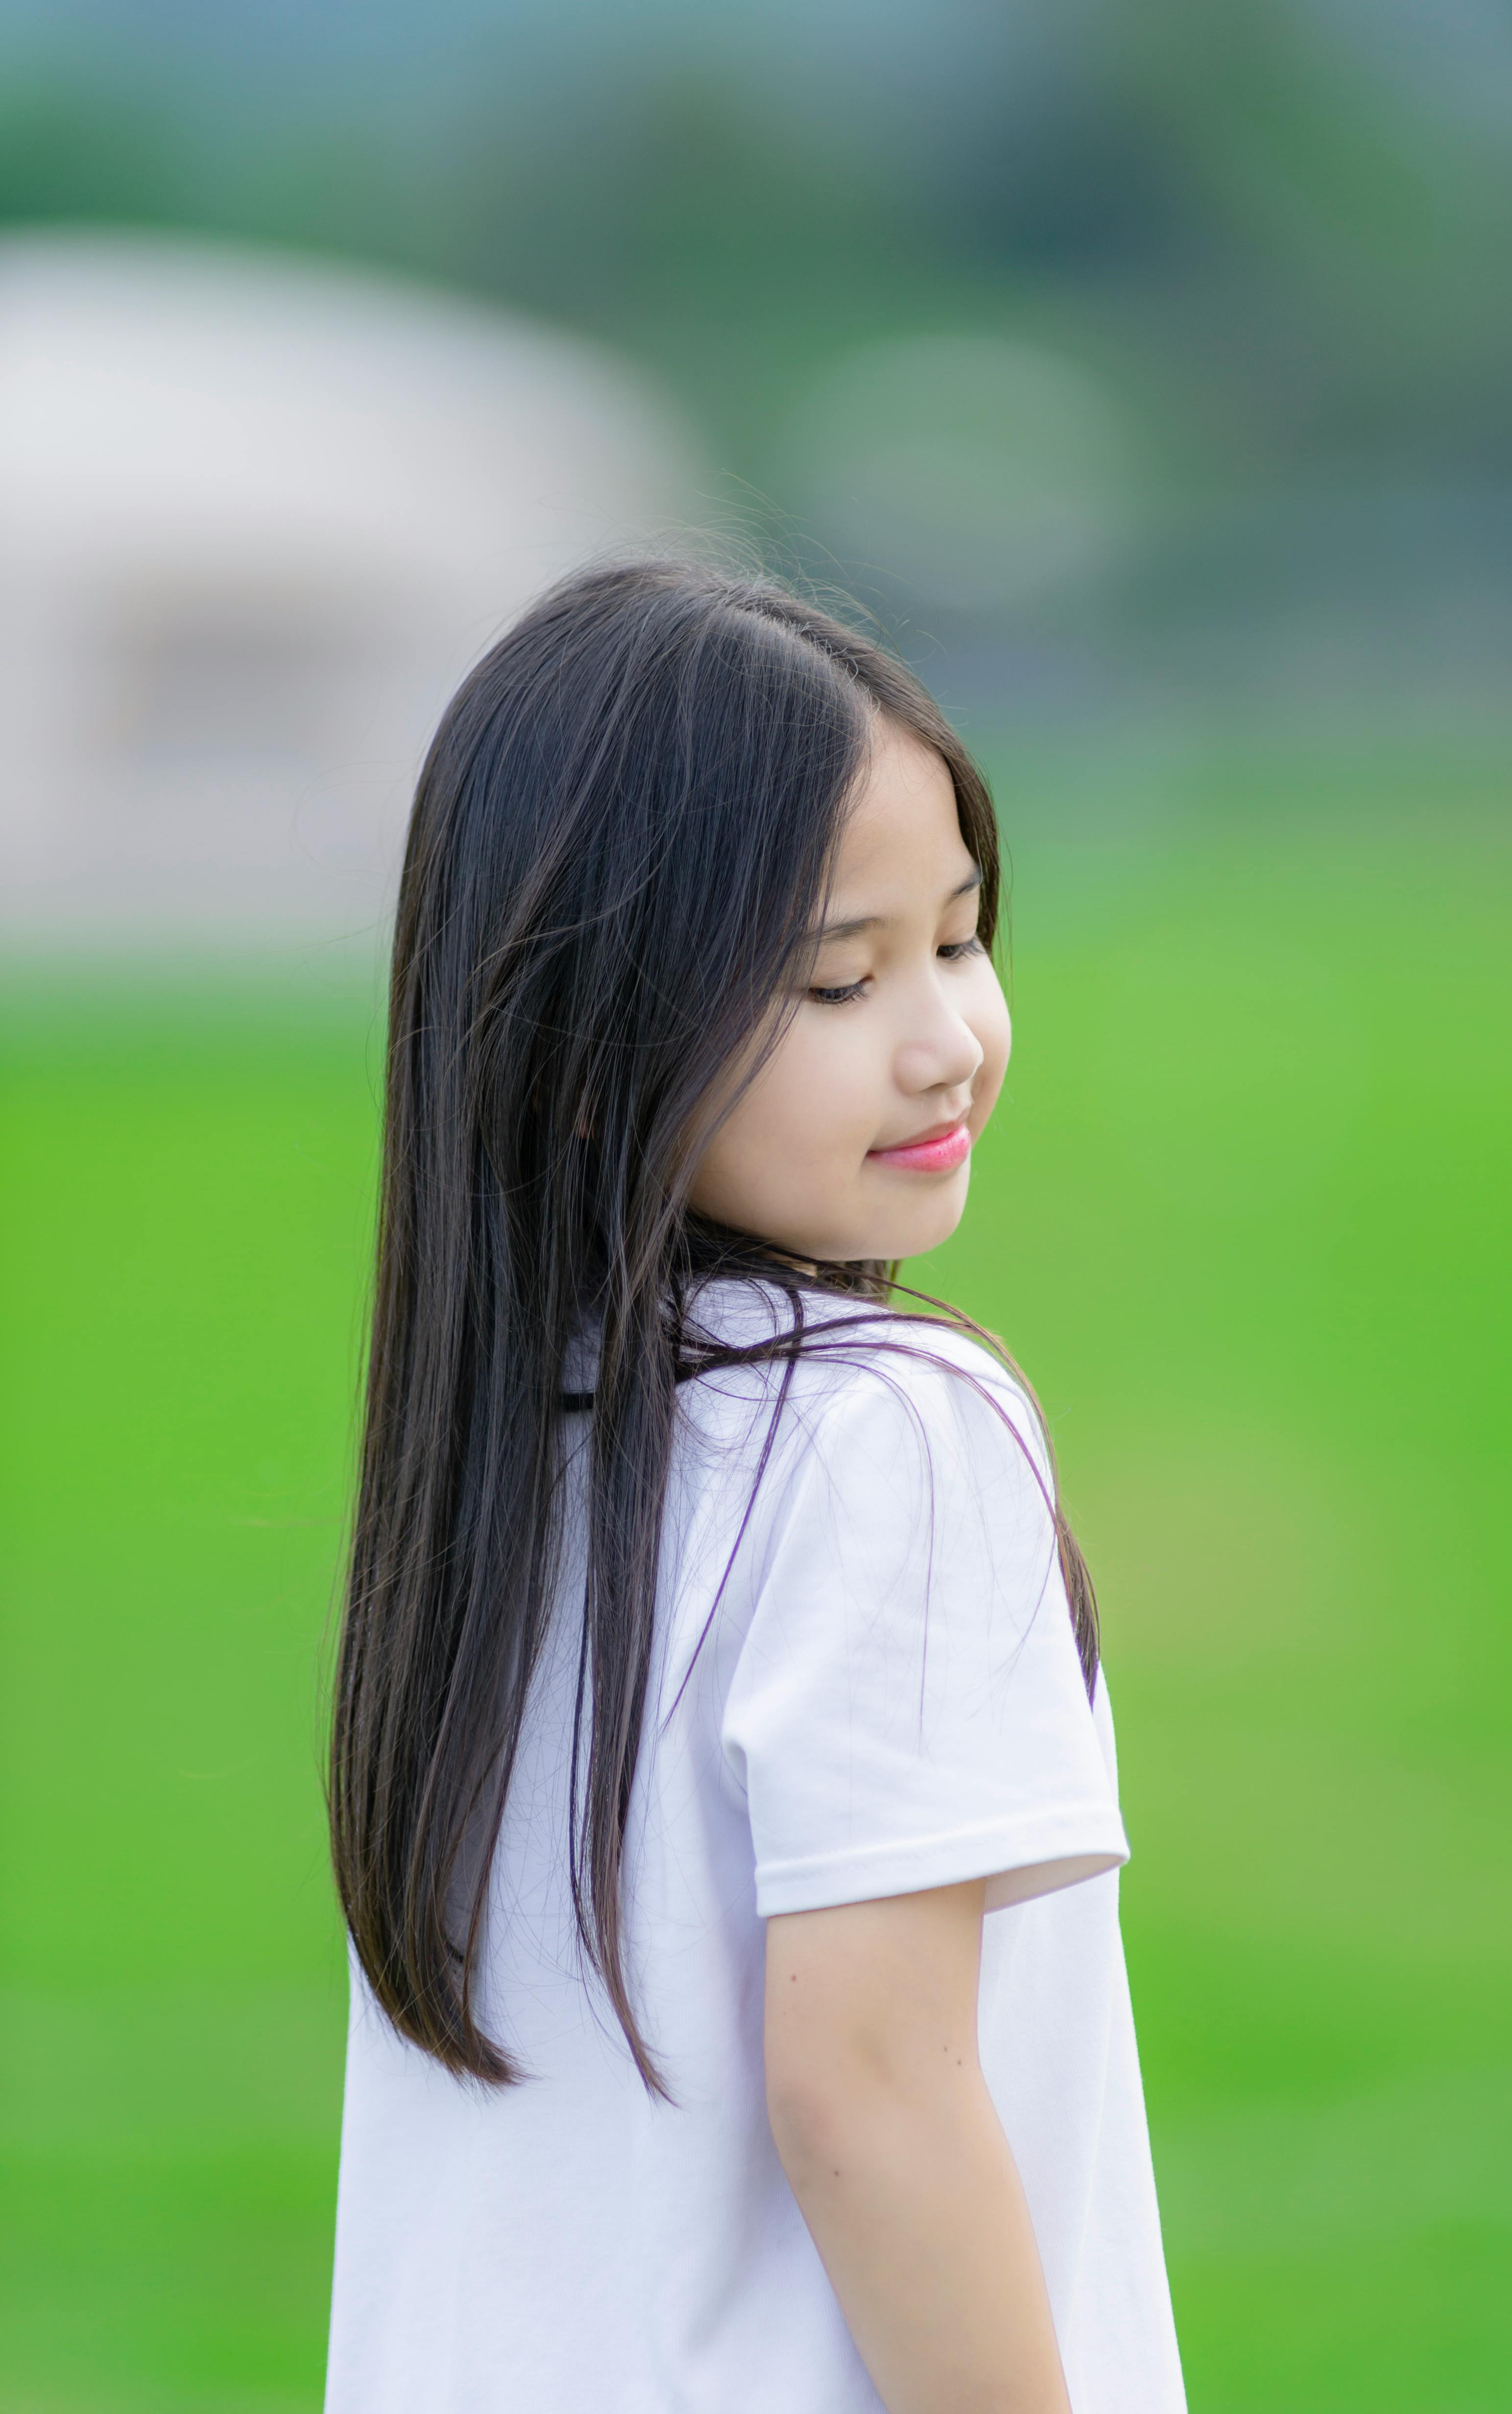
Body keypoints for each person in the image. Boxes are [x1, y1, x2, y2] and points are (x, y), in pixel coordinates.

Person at [323, 561, 1187, 2414]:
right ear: (579, 1049)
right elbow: (870, 2091)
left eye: (959, 939)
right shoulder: (892, 1432)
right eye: (836, 979)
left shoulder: (502, 1471)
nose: (947, 1039)